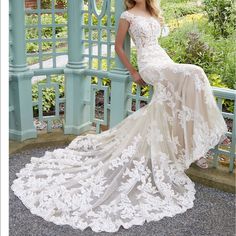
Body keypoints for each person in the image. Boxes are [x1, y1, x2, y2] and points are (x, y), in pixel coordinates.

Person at [11, 0, 231, 233]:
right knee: (196, 73)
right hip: (148, 63)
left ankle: (193, 145)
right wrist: (133, 71)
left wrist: (171, 65)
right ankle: (211, 135)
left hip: (163, 59)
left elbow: (158, 42)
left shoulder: (152, 10)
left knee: (176, 100)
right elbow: (118, 46)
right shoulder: (127, 15)